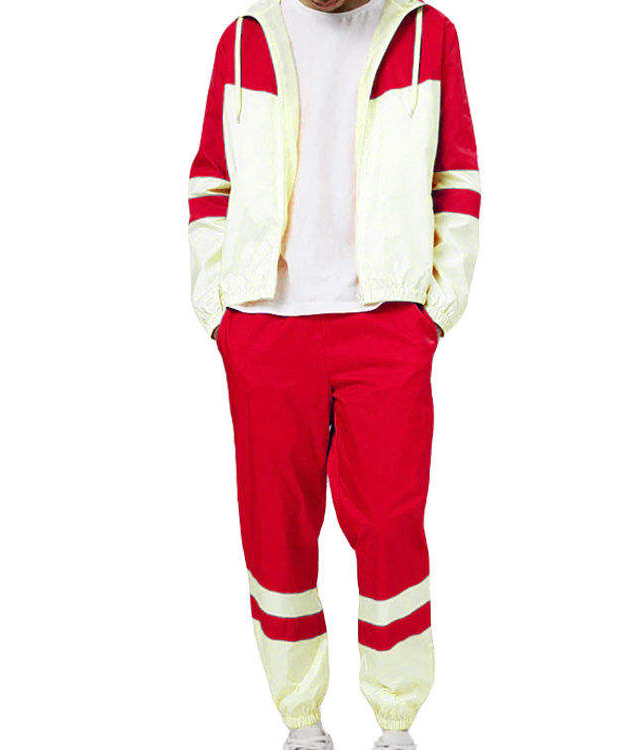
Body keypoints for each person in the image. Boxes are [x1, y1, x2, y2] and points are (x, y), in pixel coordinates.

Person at [188, 0, 479, 746]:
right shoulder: (245, 38)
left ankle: (395, 721)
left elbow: (456, 177)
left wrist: (434, 309)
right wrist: (219, 310)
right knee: (275, 530)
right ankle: (300, 720)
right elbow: (210, 182)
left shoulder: (427, 34)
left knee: (389, 525)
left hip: (385, 321)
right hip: (266, 327)